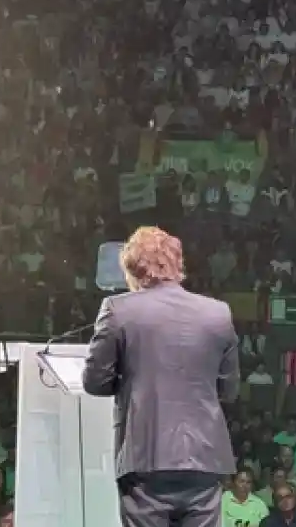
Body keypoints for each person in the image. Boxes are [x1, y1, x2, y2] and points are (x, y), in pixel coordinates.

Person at [82, 226, 239, 527]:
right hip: (204, 459)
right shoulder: (218, 313)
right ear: (177, 265)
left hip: (145, 458)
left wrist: (131, 381)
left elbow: (95, 381)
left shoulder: (118, 309)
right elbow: (228, 389)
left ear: (133, 269)